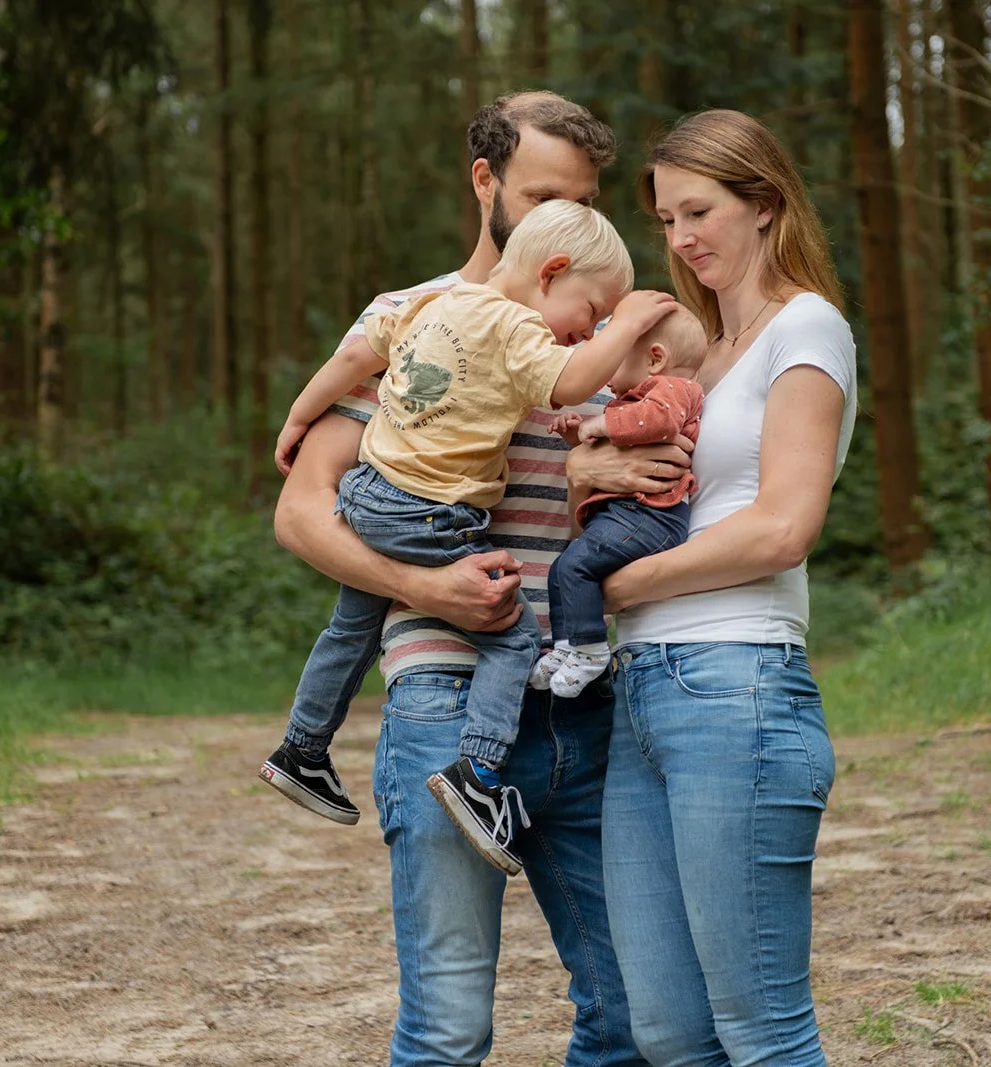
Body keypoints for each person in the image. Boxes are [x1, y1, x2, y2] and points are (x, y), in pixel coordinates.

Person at [272, 91, 678, 1067]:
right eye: (543, 193)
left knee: (630, 1014)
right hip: (444, 699)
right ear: (485, 182)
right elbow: (302, 511)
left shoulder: (587, 330)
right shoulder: (411, 317)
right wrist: (424, 588)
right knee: (449, 1029)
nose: (563, 217)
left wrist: (612, 470)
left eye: (582, 199)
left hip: (584, 706)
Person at [260, 199, 676, 876]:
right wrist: (627, 322)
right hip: (432, 514)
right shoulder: (518, 331)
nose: (587, 330)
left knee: (353, 621)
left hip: (368, 495)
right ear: (553, 272)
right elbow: (573, 382)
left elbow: (351, 358)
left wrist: (297, 418)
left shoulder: (432, 304)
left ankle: (303, 747)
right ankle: (477, 773)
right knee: (513, 638)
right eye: (589, 309)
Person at [595, 109, 858, 1066]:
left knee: (762, 1029)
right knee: (668, 1030)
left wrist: (624, 584)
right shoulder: (700, 352)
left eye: (698, 211)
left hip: (738, 685)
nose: (680, 238)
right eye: (665, 220)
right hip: (639, 691)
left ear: (766, 203)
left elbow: (785, 525)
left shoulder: (809, 328)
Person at [534, 308, 708, 697]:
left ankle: (592, 650)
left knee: (577, 565)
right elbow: (613, 454)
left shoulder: (674, 390)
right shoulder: (638, 402)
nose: (604, 376)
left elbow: (657, 423)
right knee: (563, 566)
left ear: (655, 359)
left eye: (613, 362)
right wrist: (579, 436)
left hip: (653, 516)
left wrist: (601, 425)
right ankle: (567, 646)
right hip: (630, 513)